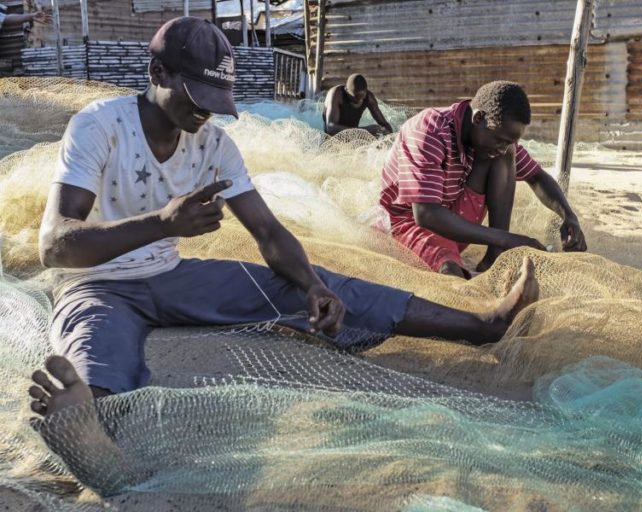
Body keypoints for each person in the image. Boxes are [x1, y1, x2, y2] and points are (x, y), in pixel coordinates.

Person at [27, 18, 539, 493]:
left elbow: (268, 231)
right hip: (97, 285)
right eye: (195, 96)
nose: (204, 112)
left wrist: (312, 286)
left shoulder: (213, 146)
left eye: (214, 99)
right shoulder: (101, 126)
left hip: (173, 275)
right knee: (94, 348)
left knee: (330, 285)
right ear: (156, 72)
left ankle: (482, 325)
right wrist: (162, 224)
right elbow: (55, 245)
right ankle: (84, 426)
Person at [379, 81, 587, 279]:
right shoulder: (429, 131)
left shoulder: (496, 140)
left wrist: (568, 215)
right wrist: (505, 239)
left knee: (506, 156)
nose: (503, 147)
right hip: (409, 224)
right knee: (451, 274)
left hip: (455, 218)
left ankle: (495, 256)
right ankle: (495, 247)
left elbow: (536, 176)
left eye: (509, 142)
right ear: (478, 118)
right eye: (500, 140)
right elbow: (425, 214)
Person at [322, 73, 393, 136]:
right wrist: (365, 130)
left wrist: (387, 134)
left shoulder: (369, 97)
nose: (360, 100)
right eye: (356, 97)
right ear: (346, 91)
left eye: (362, 97)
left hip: (354, 137)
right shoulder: (336, 95)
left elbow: (384, 124)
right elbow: (331, 128)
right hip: (332, 140)